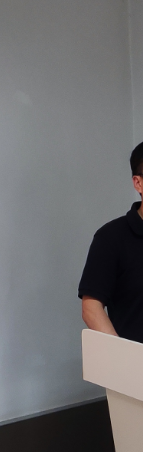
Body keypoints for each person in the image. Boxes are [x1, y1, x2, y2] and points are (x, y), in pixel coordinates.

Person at [79, 142, 143, 343]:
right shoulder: (111, 237)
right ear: (138, 183)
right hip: (133, 361)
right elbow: (91, 307)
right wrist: (123, 354)